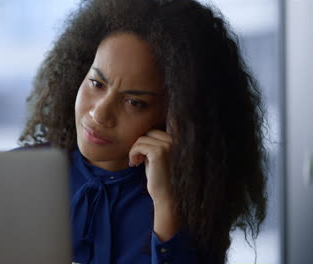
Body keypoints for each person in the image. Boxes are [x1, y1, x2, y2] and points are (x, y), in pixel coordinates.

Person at [17, 0, 268, 263]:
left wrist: (167, 205)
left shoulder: (190, 202)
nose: (100, 113)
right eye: (96, 83)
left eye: (134, 102)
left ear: (176, 116)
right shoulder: (19, 173)